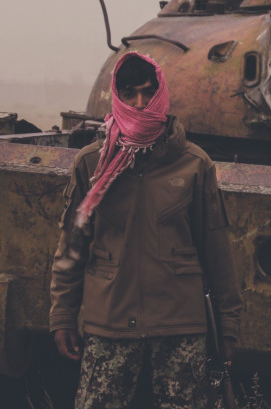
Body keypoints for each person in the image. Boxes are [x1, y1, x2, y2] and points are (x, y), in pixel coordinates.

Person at [49, 51, 242, 408]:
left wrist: (227, 325)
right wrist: (63, 314)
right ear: (116, 97)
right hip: (110, 322)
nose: (140, 103)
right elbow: (72, 247)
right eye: (130, 93)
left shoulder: (194, 164)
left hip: (180, 327)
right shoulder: (91, 164)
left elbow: (217, 250)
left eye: (148, 92)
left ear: (161, 95)